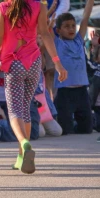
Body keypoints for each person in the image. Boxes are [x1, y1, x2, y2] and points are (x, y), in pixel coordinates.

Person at [0, 0, 67, 174]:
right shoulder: (39, 6)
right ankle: (21, 157)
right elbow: (45, 34)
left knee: (15, 110)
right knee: (25, 108)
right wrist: (57, 63)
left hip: (13, 63)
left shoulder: (3, 8)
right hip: (34, 63)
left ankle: (24, 142)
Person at [53, 0, 94, 136]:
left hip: (82, 91)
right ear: (58, 30)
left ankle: (77, 123)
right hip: (65, 92)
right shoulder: (56, 43)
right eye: (66, 26)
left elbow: (85, 18)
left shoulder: (78, 40)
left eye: (72, 26)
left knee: (86, 129)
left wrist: (90, 2)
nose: (71, 29)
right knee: (66, 130)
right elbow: (45, 30)